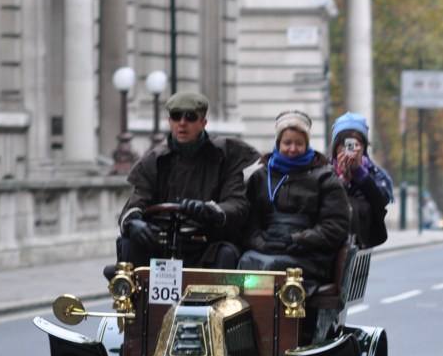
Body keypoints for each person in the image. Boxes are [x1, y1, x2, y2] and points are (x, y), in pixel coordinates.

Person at [118, 91, 260, 269]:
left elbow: (237, 203)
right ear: (170, 122)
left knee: (226, 253)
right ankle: (133, 296)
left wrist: (212, 210)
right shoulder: (154, 161)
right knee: (128, 244)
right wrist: (133, 222)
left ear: (203, 123)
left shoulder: (225, 156)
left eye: (190, 117)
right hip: (161, 246)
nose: (182, 123)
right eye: (176, 117)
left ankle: (218, 298)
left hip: (207, 245)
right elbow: (137, 201)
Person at [238, 110, 351, 285]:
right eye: (287, 143)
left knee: (273, 267)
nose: (293, 149)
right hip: (267, 248)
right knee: (245, 263)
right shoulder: (260, 177)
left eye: (299, 143)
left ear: (307, 144)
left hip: (310, 256)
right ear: (278, 143)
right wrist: (260, 242)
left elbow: (336, 225)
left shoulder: (325, 178)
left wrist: (298, 239)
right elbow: (248, 219)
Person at [329, 112, 394, 248]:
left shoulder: (373, 172)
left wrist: (359, 172)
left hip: (361, 242)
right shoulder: (325, 170)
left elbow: (381, 201)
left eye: (355, 144)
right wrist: (343, 182)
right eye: (345, 143)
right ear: (335, 146)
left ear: (363, 147)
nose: (349, 150)